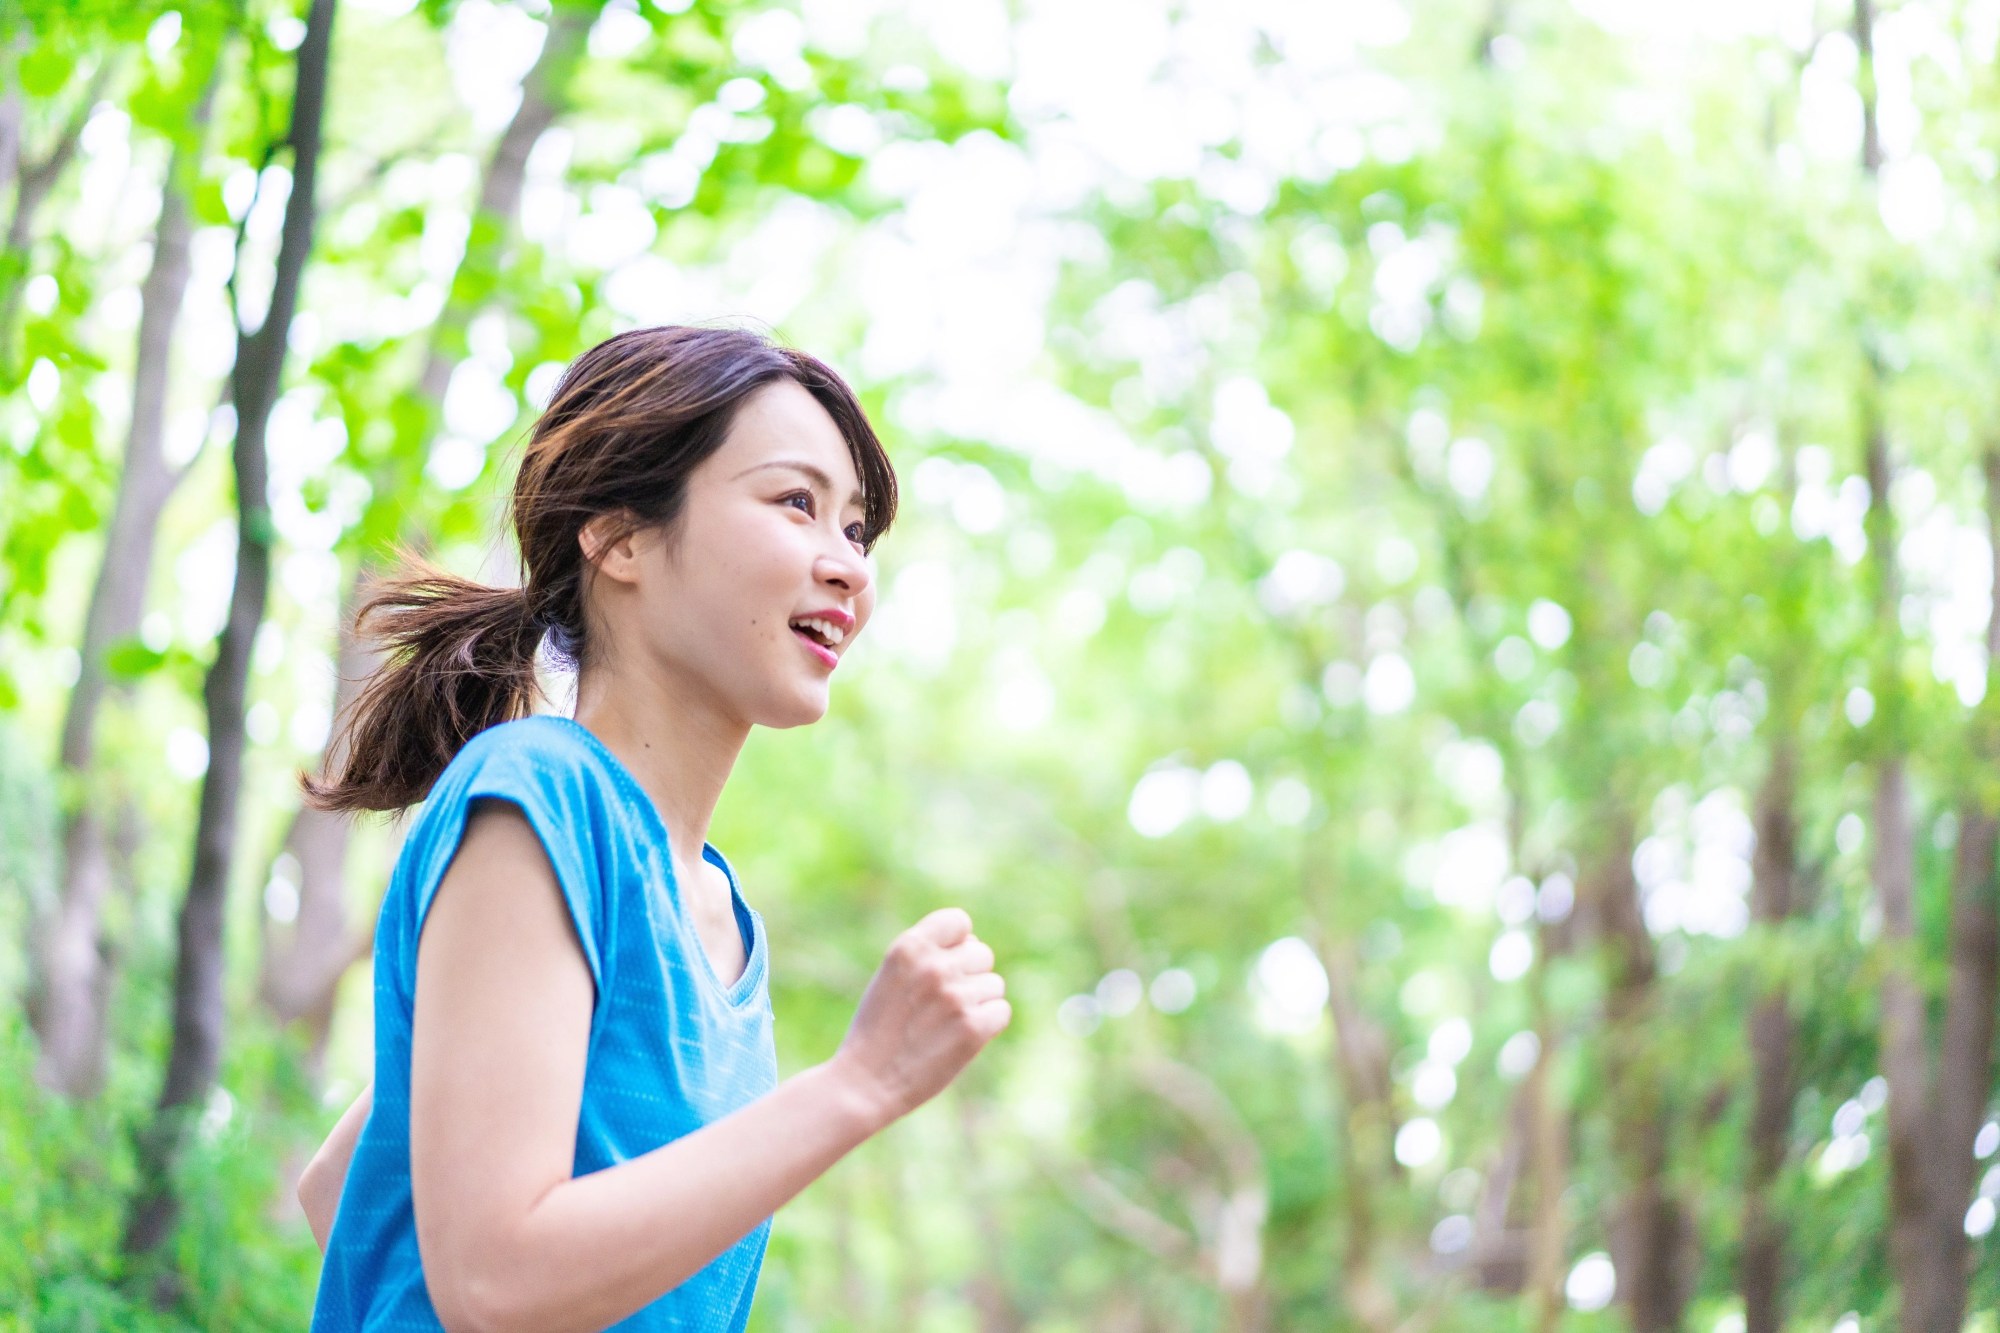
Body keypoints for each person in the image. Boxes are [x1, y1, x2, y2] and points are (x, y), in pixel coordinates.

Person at [296, 325, 1010, 1332]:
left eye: (855, 529)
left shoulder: (715, 911)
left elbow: (346, 1187)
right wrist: (860, 1083)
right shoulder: (537, 793)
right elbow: (493, 1279)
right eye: (794, 503)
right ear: (619, 535)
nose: (846, 564)